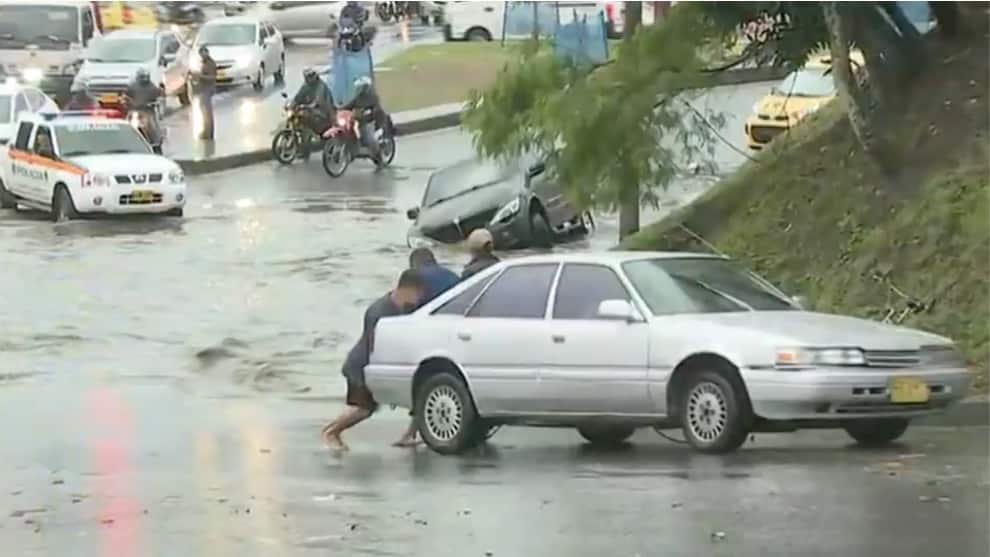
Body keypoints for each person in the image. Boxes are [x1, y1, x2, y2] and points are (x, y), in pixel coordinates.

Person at [321, 269, 426, 452]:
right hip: (361, 365)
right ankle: (331, 432)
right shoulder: (378, 311)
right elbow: (373, 346)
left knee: (419, 399)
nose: (419, 299)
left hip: (380, 363)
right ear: (407, 290)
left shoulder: (407, 309)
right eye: (418, 294)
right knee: (365, 409)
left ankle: (410, 435)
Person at [341, 75, 387, 169]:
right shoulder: (359, 97)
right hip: (360, 120)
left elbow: (377, 108)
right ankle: (353, 151)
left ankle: (379, 159)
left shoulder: (373, 96)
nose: (359, 89)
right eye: (359, 87)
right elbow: (350, 105)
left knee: (369, 140)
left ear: (366, 88)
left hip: (371, 120)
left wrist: (370, 111)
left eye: (361, 87)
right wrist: (339, 109)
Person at [292, 68, 336, 157]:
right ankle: (305, 150)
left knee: (311, 122)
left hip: (323, 112)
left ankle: (309, 147)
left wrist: (309, 106)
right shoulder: (306, 86)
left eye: (310, 77)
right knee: (301, 121)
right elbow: (298, 97)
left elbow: (318, 101)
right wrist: (292, 104)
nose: (308, 79)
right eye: (307, 77)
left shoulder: (321, 86)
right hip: (311, 110)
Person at [124, 68, 163, 149]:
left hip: (147, 111)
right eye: (142, 77)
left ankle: (156, 141)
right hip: (134, 111)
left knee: (152, 125)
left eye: (145, 77)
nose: (144, 79)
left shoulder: (152, 87)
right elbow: (125, 96)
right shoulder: (132, 87)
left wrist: (154, 102)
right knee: (126, 124)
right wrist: (127, 102)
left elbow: (159, 95)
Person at [190, 45, 217, 140]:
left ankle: (209, 133)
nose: (202, 55)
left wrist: (200, 76)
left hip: (208, 89)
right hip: (203, 89)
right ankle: (206, 131)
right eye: (201, 54)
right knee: (203, 111)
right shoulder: (203, 63)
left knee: (207, 112)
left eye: (204, 53)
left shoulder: (211, 63)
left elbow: (212, 77)